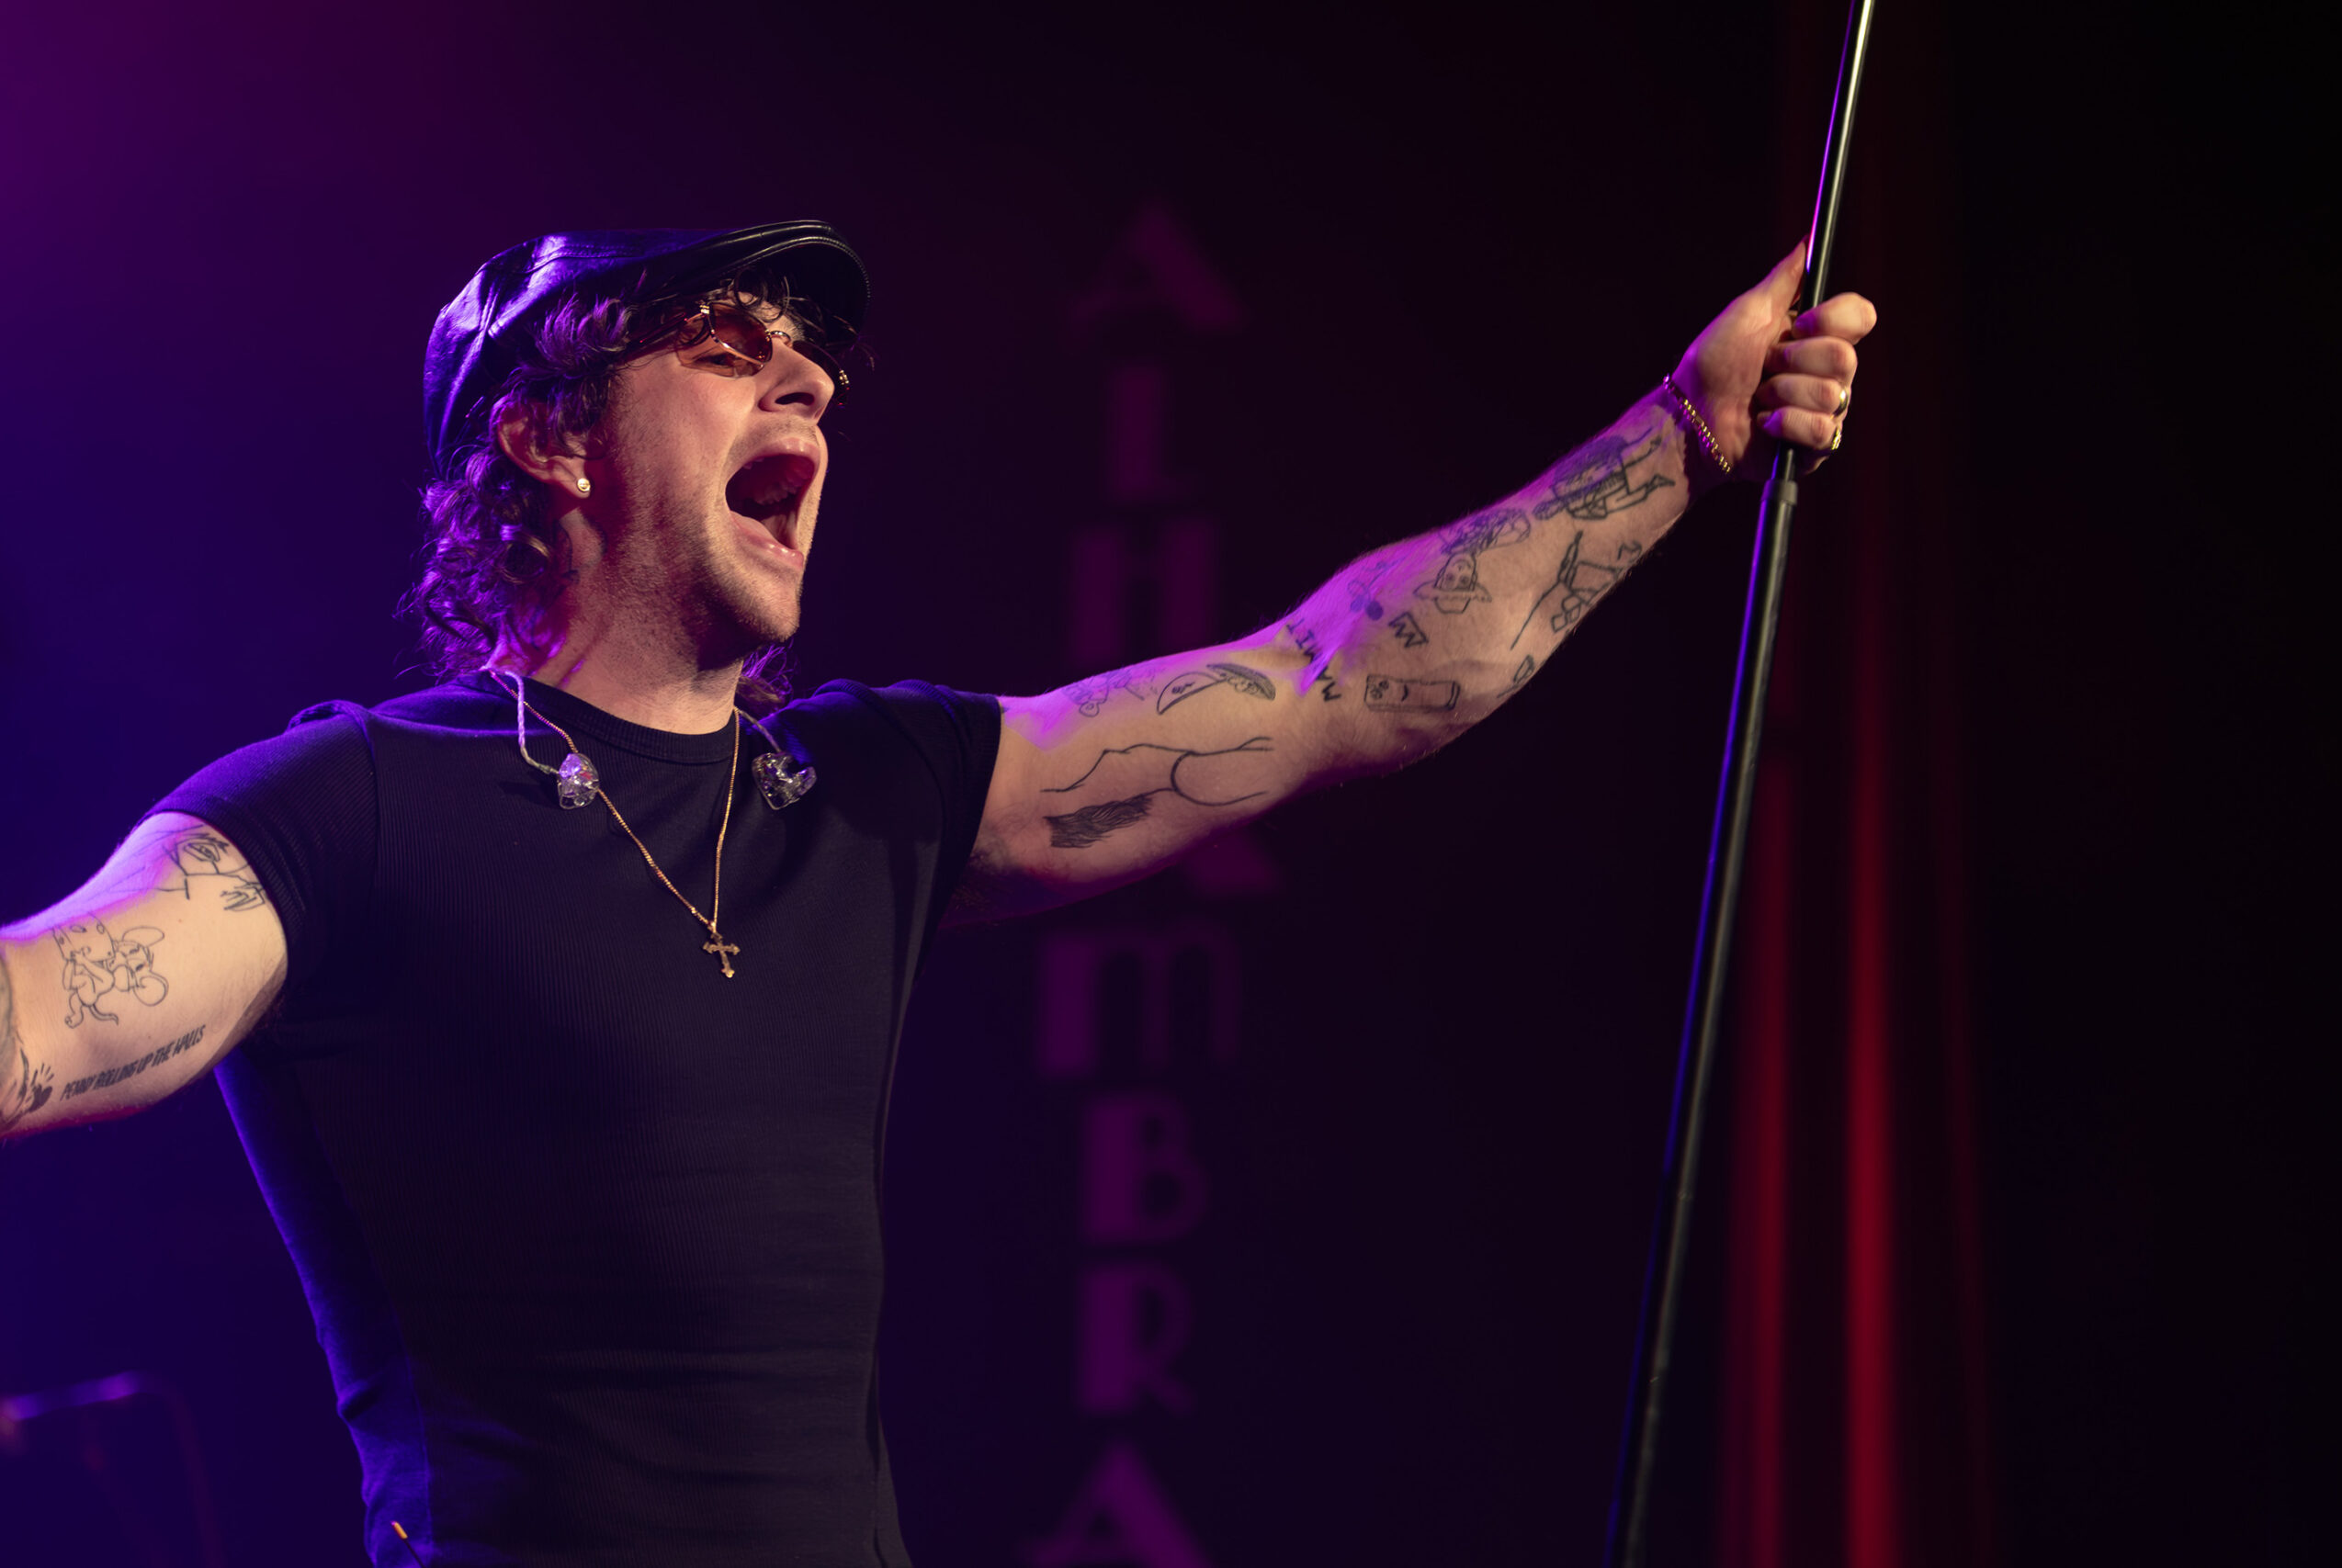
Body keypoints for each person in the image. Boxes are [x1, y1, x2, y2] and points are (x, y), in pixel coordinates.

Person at [0, 221, 1873, 1563]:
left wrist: (1682, 437)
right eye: (725, 351)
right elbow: (61, 1003)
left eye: (811, 366)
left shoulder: (870, 794)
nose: (806, 384)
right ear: (548, 436)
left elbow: (1332, 684)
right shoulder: (356, 806)